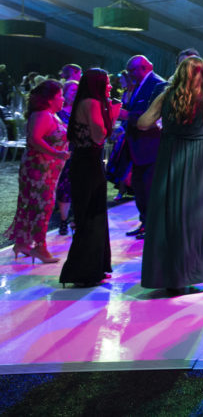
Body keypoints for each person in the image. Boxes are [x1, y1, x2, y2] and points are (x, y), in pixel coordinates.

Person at [138, 57, 203, 295]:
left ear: (180, 74)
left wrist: (166, 126)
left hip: (173, 157)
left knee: (172, 215)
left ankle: (174, 277)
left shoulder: (167, 96)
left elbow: (143, 123)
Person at [59, 69, 121, 287]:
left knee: (95, 216)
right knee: (89, 218)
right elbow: (99, 136)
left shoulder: (89, 101)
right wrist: (113, 112)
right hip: (87, 165)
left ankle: (94, 269)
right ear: (97, 84)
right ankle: (83, 273)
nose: (111, 86)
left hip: (88, 163)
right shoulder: (92, 102)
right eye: (107, 82)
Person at [4, 80, 69, 264]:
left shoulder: (51, 114)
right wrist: (57, 153)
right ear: (49, 99)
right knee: (42, 207)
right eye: (60, 96)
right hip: (38, 171)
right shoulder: (42, 115)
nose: (62, 99)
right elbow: (34, 139)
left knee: (34, 205)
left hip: (47, 170)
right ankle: (40, 247)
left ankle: (23, 243)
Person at [120, 56, 168, 239]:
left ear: (145, 67)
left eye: (132, 70)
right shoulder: (138, 85)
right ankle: (145, 222)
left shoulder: (158, 85)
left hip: (151, 146)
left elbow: (154, 115)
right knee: (140, 188)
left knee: (149, 189)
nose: (130, 75)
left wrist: (127, 115)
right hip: (138, 147)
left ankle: (152, 226)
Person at [55, 79, 77, 235]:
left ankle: (76, 220)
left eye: (78, 90)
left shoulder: (83, 110)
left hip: (81, 154)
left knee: (79, 189)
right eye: (72, 90)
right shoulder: (59, 112)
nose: (75, 93)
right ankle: (63, 221)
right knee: (64, 189)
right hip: (64, 155)